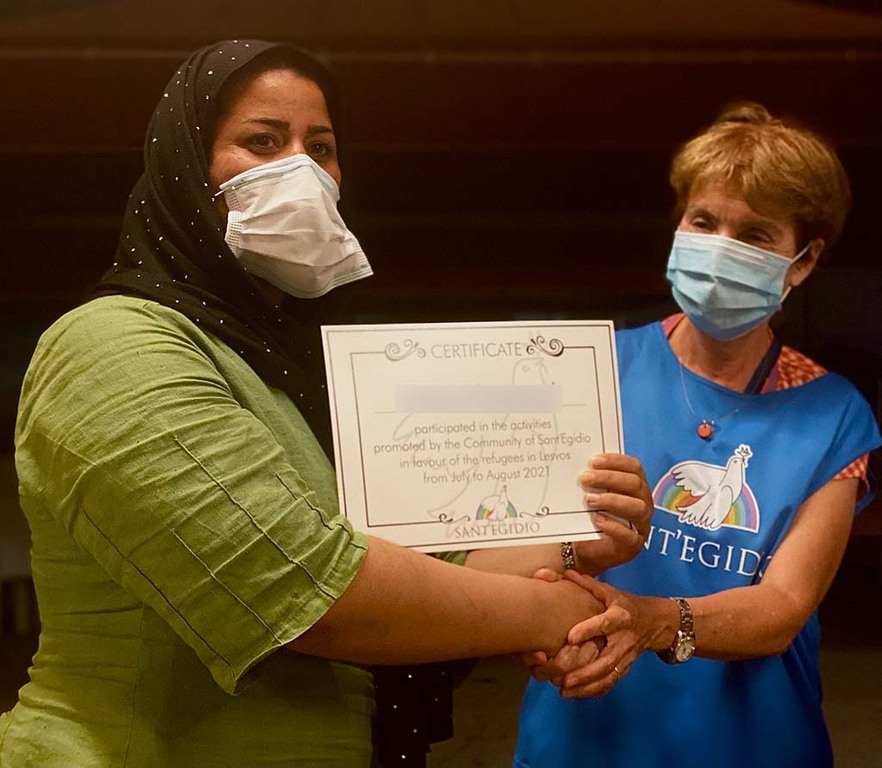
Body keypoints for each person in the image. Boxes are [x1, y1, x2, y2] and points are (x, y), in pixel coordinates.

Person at [0, 40, 653, 768]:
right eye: (261, 141)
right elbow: (311, 589)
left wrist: (571, 537)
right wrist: (559, 609)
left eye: (322, 147)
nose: (302, 170)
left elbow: (417, 565)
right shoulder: (113, 345)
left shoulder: (290, 371)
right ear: (183, 165)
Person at [513, 102, 882, 768]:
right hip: (583, 741)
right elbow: (521, 550)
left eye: (756, 236)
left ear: (803, 261)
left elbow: (782, 607)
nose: (720, 250)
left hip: (754, 747)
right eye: (705, 221)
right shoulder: (587, 369)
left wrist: (650, 621)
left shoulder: (835, 416)